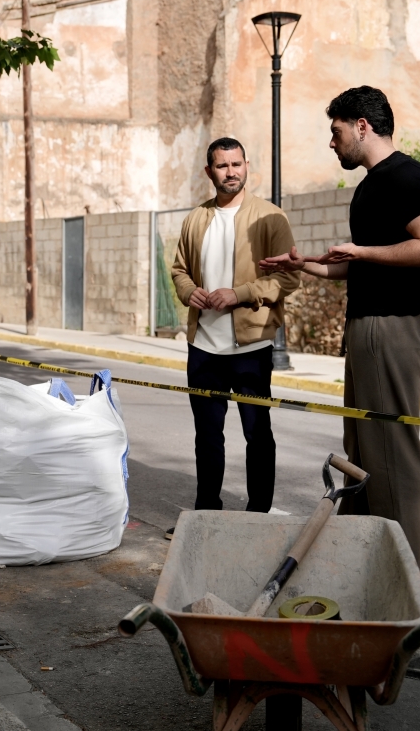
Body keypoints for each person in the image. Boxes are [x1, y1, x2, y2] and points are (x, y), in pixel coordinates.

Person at [259, 86, 420, 568]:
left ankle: (400, 577)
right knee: (362, 453)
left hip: (394, 324)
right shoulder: (372, 184)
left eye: (336, 131)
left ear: (362, 126)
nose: (332, 142)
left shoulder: (405, 176)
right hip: (371, 325)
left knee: (390, 456)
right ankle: (361, 566)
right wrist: (304, 264)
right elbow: (358, 265)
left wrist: (362, 251)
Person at [167, 137, 300, 539]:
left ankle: (258, 515)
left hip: (251, 347)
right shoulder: (196, 219)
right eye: (222, 166)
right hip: (203, 347)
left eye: (237, 164)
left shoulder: (270, 217)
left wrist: (239, 294)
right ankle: (207, 513)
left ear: (247, 165)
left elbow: (288, 278)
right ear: (209, 171)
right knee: (207, 437)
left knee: (257, 434)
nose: (231, 172)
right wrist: (189, 291)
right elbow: (179, 269)